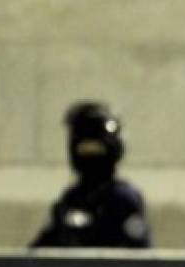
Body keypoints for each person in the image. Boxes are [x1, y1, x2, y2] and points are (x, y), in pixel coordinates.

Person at [30, 101, 150, 248]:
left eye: (96, 150)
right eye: (84, 150)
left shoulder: (123, 199)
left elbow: (137, 255)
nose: (90, 157)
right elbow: (40, 252)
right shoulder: (71, 200)